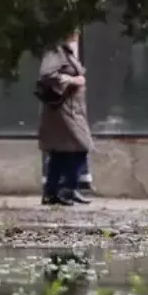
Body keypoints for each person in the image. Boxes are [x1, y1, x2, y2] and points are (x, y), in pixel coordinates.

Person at [37, 31, 93, 207]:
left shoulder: (66, 51)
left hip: (71, 109)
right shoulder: (56, 51)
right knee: (82, 146)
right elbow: (47, 75)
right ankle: (66, 189)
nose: (77, 33)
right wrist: (73, 80)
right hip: (62, 110)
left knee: (59, 152)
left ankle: (52, 192)